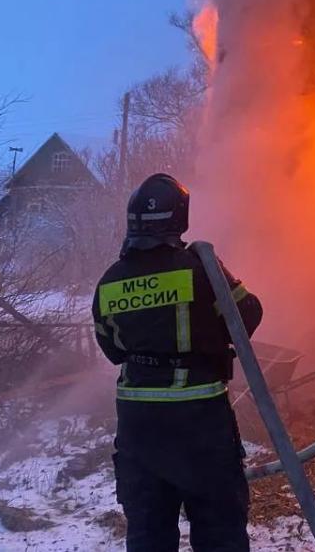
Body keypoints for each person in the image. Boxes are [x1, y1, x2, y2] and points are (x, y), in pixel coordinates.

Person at [92, 173, 263, 552]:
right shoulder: (201, 267)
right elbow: (248, 314)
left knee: (148, 533)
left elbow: (112, 349)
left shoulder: (110, 280)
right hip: (199, 423)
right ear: (179, 218)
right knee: (219, 531)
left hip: (140, 430)